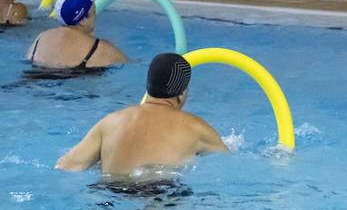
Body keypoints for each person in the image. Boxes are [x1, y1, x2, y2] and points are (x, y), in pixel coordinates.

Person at [55, 52, 228, 177]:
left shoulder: (112, 121)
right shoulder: (196, 127)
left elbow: (66, 165)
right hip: (159, 193)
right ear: (182, 92)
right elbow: (227, 161)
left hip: (108, 192)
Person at [25, 0, 125, 70]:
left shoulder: (42, 37)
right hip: (75, 91)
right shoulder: (100, 47)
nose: (96, 17)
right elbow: (130, 65)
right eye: (94, 12)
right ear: (83, 20)